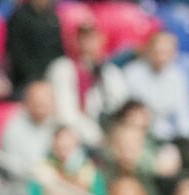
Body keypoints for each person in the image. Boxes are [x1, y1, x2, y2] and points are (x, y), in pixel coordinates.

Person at [46, 18, 128, 149]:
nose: (88, 42)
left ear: (102, 39)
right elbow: (65, 114)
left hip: (108, 135)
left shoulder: (110, 72)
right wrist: (95, 136)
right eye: (83, 38)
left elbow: (121, 106)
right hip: (75, 138)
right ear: (75, 41)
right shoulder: (63, 68)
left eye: (93, 37)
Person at [121, 30, 189, 144]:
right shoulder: (132, 73)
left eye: (166, 52)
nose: (161, 57)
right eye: (158, 52)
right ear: (149, 50)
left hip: (173, 136)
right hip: (142, 135)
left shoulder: (179, 77)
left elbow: (185, 114)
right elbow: (130, 113)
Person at [0, 80, 58, 173]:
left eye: (48, 99)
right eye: (39, 101)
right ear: (27, 103)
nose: (43, 104)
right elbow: (11, 166)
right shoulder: (14, 128)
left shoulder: (55, 126)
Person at [5, 0, 62, 93]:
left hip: (52, 75)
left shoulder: (52, 16)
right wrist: (36, 77)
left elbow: (58, 49)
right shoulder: (19, 17)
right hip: (26, 80)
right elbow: (17, 53)